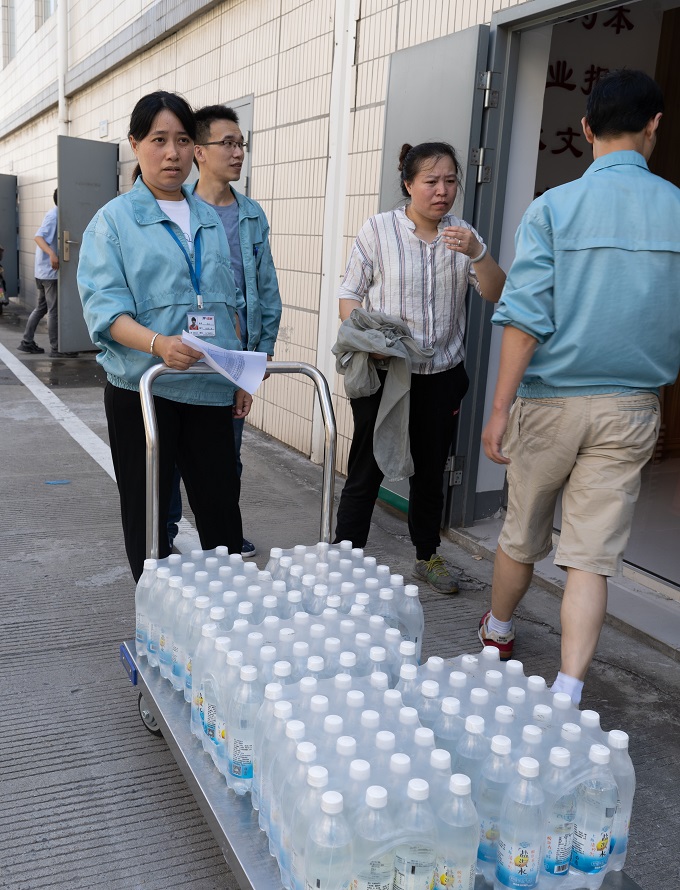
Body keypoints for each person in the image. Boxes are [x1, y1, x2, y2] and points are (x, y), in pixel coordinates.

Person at [480, 70, 680, 704]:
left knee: (522, 534)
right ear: (654, 126)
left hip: (549, 402)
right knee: (590, 557)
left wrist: (498, 409)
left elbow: (524, 319)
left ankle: (497, 632)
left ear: (587, 128)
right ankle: (568, 689)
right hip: (632, 407)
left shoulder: (553, 209)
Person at [78, 91, 251, 581]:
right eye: (158, 140)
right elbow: (106, 312)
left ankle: (225, 606)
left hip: (208, 387)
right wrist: (158, 344)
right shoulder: (113, 222)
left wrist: (240, 374)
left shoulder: (208, 218)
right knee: (149, 515)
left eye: (182, 140)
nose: (172, 153)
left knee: (221, 511)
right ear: (135, 145)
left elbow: (227, 305)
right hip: (144, 389)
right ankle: (152, 607)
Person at [334, 141, 506, 594]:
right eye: (431, 181)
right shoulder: (378, 230)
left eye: (450, 181)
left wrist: (479, 253)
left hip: (442, 377)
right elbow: (349, 295)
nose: (442, 190)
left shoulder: (464, 235)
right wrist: (370, 341)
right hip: (386, 375)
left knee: (430, 473)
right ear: (409, 184)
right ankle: (345, 558)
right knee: (366, 469)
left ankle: (427, 555)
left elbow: (496, 293)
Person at [166, 103, 282, 557]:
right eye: (227, 143)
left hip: (230, 359)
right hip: (181, 351)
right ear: (199, 151)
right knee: (170, 459)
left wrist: (259, 360)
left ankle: (223, 532)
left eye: (241, 144)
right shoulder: (178, 209)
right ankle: (164, 535)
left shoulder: (251, 215)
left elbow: (267, 290)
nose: (238, 153)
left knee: (225, 457)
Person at [18, 189, 76, 357]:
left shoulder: (55, 213)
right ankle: (56, 349)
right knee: (54, 311)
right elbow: (38, 237)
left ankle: (27, 341)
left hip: (42, 272)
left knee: (41, 308)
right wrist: (52, 254)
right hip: (49, 273)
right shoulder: (54, 215)